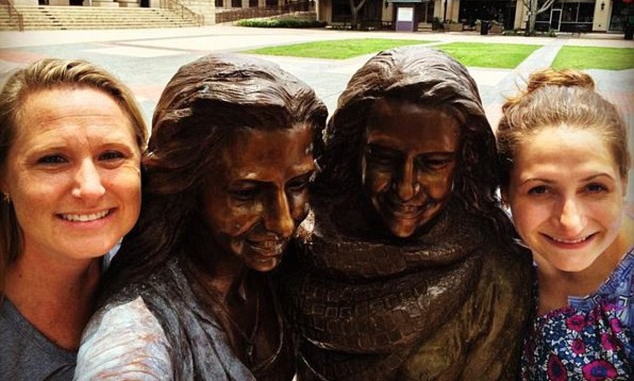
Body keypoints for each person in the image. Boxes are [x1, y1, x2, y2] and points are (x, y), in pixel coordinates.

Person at [278, 46, 533, 380]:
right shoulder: (296, 240)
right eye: (383, 158)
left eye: (434, 163)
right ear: (354, 151)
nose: (405, 188)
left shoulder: (496, 271)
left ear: (465, 161)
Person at [73, 53, 328, 380]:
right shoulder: (135, 324)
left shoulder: (289, 267)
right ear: (185, 184)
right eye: (246, 193)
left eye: (297, 185)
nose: (283, 223)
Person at [0, 58, 147, 380]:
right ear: (4, 178)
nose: (90, 189)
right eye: (53, 159)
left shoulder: (159, 272)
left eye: (111, 155)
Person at [496, 68, 633, 380]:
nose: (570, 222)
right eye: (540, 190)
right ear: (505, 192)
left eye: (594, 187)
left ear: (624, 181)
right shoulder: (502, 257)